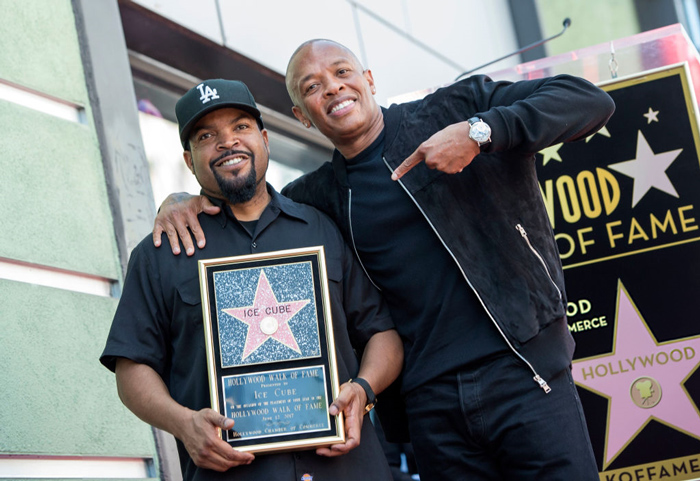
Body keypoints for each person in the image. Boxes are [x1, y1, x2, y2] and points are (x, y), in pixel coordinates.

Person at [152, 40, 616, 480]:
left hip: (525, 372)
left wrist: (481, 133)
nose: (331, 87)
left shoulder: (454, 110)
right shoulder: (317, 199)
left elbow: (588, 100)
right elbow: (247, 198)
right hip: (430, 408)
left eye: (341, 72)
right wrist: (180, 198)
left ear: (369, 80)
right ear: (302, 117)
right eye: (312, 87)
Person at [100, 78, 403, 481]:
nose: (227, 142)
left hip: (348, 469)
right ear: (189, 161)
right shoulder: (161, 252)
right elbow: (131, 367)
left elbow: (382, 333)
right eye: (207, 136)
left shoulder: (322, 227)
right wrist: (182, 423)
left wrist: (363, 390)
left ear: (264, 139)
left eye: (240, 127)